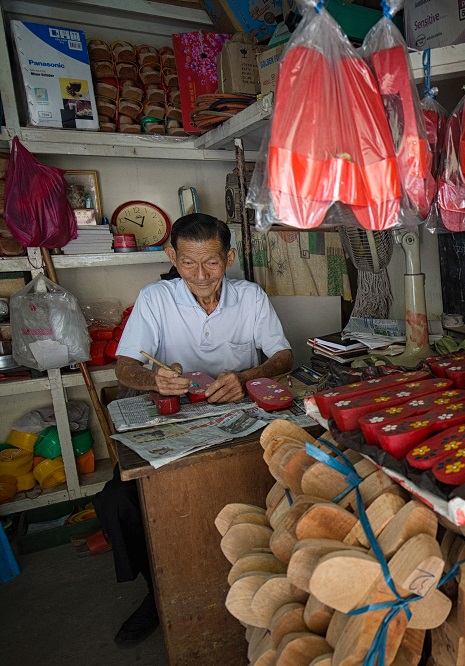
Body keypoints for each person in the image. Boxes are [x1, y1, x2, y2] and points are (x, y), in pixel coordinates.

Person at [94, 213, 293, 645]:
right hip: (175, 416)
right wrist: (154, 380)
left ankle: (267, 576)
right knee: (119, 502)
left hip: (237, 415)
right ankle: (157, 591)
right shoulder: (155, 299)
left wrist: (248, 376)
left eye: (212, 263)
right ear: (172, 256)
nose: (200, 275)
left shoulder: (251, 297)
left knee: (271, 475)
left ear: (230, 258)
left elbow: (283, 357)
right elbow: (126, 366)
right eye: (187, 263)